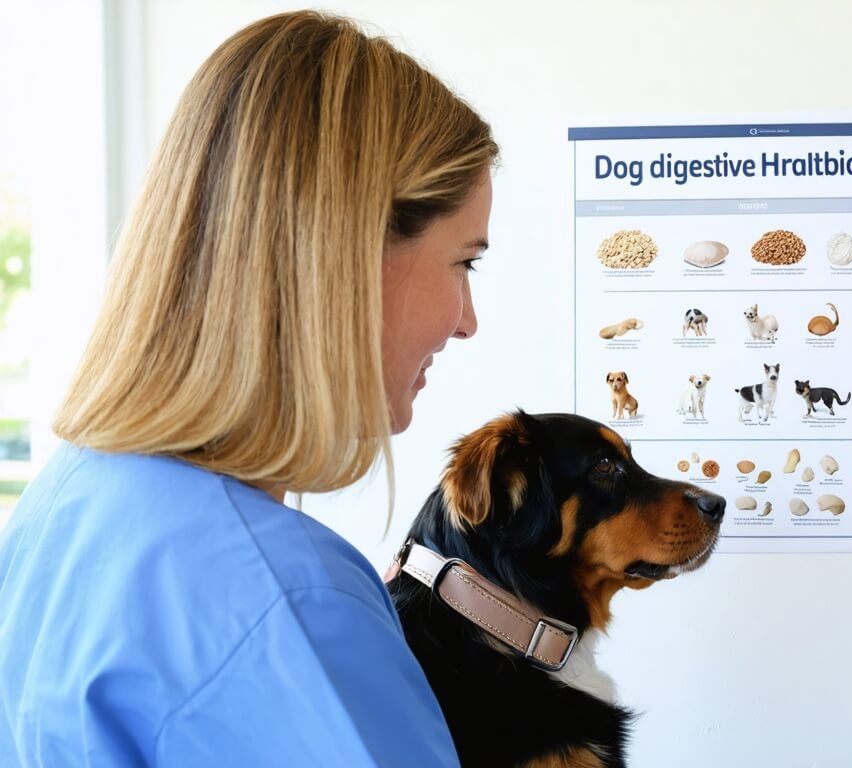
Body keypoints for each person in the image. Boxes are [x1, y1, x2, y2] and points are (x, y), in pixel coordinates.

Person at [0, 12, 494, 765]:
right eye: (465, 263)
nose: (468, 322)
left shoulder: (62, 503)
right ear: (348, 254)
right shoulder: (298, 605)